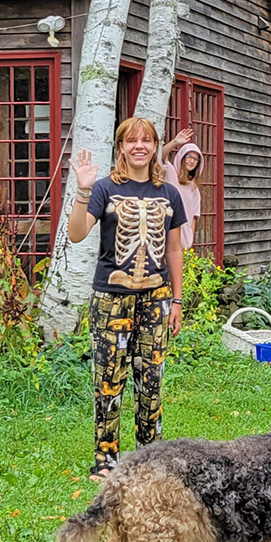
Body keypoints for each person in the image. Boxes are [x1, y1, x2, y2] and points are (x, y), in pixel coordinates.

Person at [68, 117, 186, 482]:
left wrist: (177, 301)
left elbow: (174, 248)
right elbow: (75, 234)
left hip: (156, 298)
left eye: (147, 140)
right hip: (111, 297)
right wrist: (83, 190)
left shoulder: (169, 193)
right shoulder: (104, 189)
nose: (139, 146)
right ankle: (106, 459)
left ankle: (151, 458)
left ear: (155, 147)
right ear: (120, 147)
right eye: (131, 140)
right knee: (108, 378)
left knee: (151, 378)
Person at [161, 127, 204, 250]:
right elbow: (157, 157)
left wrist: (189, 242)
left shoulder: (194, 189)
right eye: (189, 156)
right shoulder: (170, 172)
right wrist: (175, 142)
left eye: (196, 159)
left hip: (183, 240)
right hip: (165, 230)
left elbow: (194, 218)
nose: (192, 160)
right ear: (182, 157)